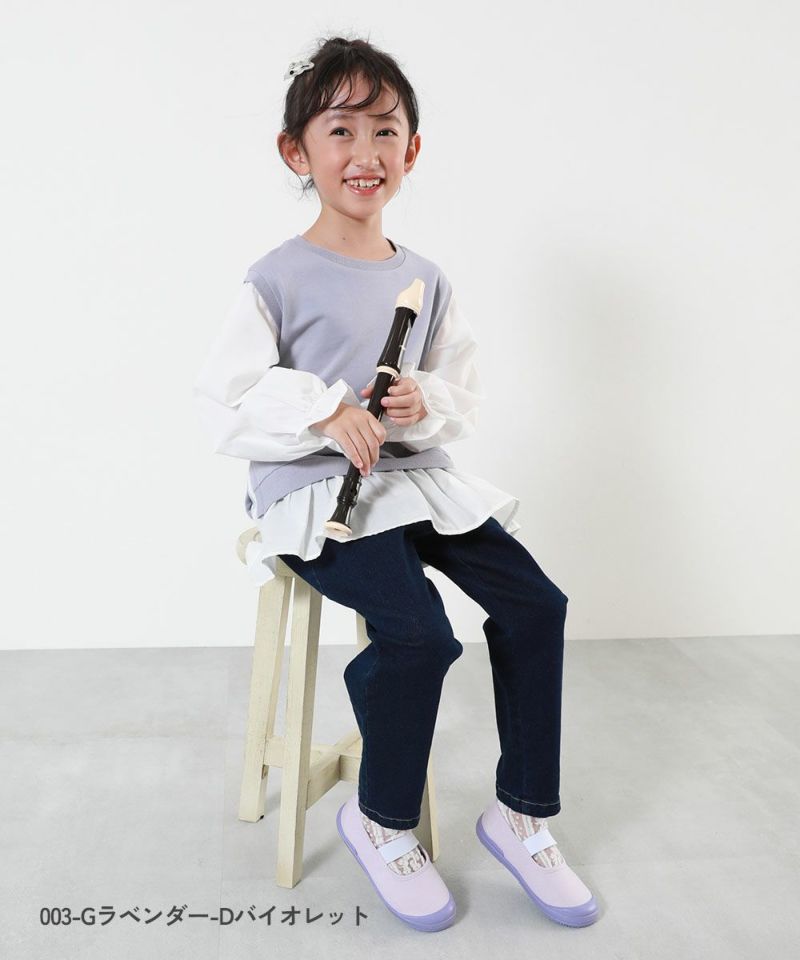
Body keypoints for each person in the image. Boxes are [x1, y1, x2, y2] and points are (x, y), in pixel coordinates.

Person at [193, 35, 599, 932]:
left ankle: (522, 813)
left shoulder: (427, 278)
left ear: (412, 150)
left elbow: (459, 393)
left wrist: (421, 402)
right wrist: (323, 409)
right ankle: (380, 819)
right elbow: (226, 397)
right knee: (418, 635)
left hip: (413, 482)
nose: (365, 152)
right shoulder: (276, 277)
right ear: (297, 151)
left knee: (537, 605)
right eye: (341, 130)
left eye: (385, 130)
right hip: (317, 497)